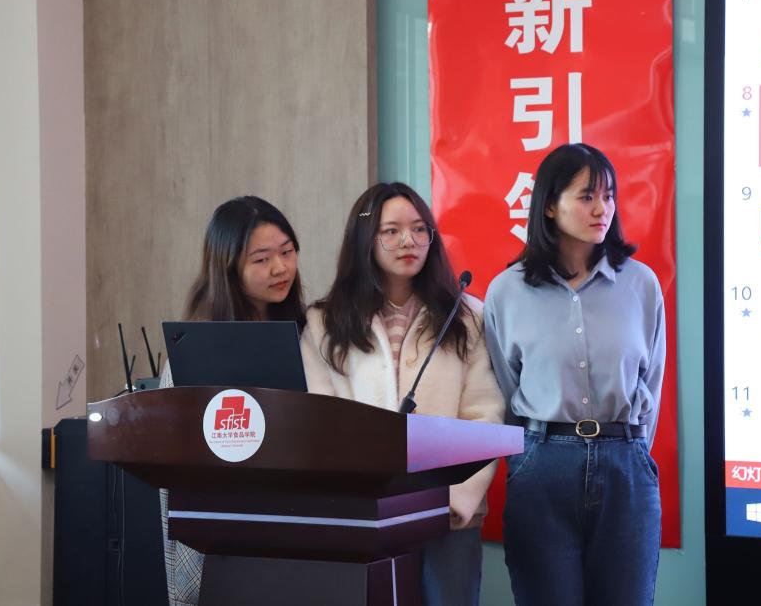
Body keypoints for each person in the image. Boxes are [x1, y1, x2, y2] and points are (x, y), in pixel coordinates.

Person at [300, 182, 504, 606]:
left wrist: (460, 497)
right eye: (391, 231)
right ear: (365, 238)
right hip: (362, 514)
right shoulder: (324, 322)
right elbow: (319, 419)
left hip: (448, 514)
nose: (408, 241)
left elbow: (485, 414)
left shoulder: (467, 316)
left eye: (419, 229)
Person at [483, 143, 666, 606]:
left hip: (626, 463)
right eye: (587, 196)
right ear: (549, 205)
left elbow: (652, 382)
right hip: (543, 464)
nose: (602, 209)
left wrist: (632, 451)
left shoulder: (641, 284)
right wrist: (529, 456)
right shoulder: (507, 291)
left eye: (609, 196)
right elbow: (506, 388)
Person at [159, 195, 306, 606]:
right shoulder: (195, 350)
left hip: (296, 527)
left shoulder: (308, 334)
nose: (280, 268)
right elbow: (176, 467)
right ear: (228, 268)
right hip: (222, 535)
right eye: (261, 259)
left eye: (287, 252)